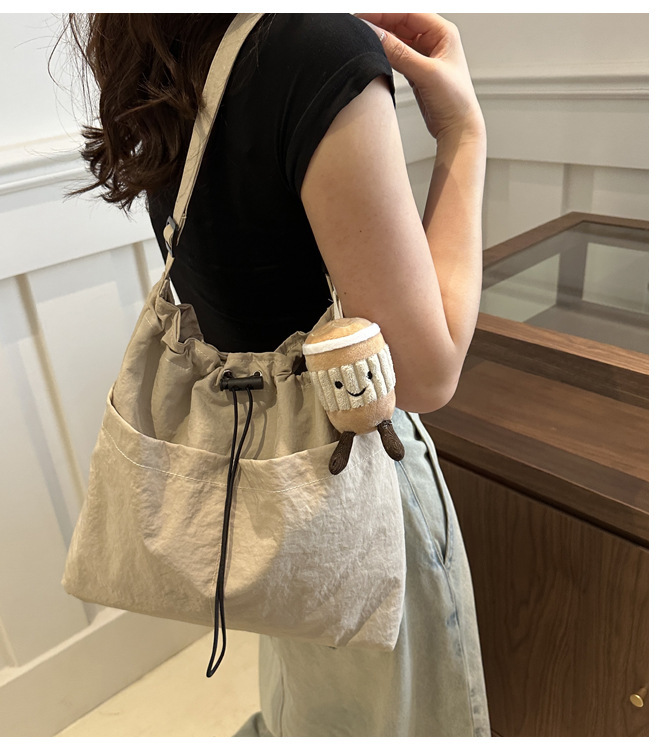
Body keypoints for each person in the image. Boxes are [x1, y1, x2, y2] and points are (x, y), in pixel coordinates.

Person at [59, 12, 490, 737]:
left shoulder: (173, 38)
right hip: (353, 485)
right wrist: (463, 133)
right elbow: (426, 374)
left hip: (267, 481)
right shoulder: (316, 49)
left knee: (314, 708)